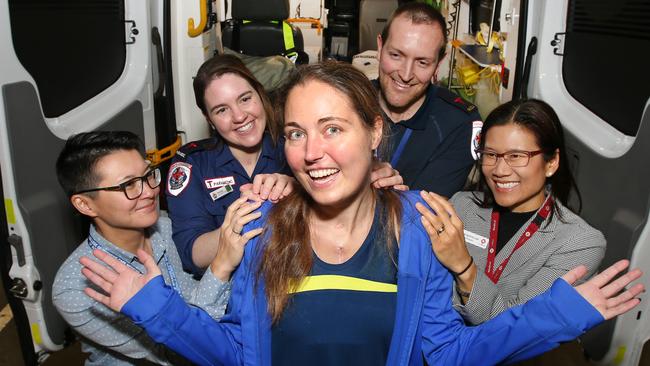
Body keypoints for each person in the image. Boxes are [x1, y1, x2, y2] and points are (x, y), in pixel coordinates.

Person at [79, 63, 643, 366]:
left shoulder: (419, 226)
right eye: (296, 133)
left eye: (333, 129)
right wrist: (157, 310)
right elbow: (236, 353)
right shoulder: (260, 226)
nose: (310, 152)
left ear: (374, 132)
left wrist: (555, 317)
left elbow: (448, 353)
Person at [168, 54, 405, 276]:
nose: (239, 116)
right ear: (208, 119)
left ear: (260, 94)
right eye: (221, 110)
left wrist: (370, 175)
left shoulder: (296, 147)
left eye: (245, 99)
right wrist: (250, 219)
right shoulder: (192, 164)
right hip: (227, 291)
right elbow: (191, 255)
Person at [416, 99, 607, 325]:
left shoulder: (580, 243)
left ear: (551, 162)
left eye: (516, 156)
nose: (500, 170)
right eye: (491, 155)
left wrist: (464, 268)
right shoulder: (463, 206)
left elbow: (515, 327)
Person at [52, 131, 230, 365]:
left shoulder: (170, 227)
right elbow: (177, 348)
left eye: (147, 176)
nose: (149, 192)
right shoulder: (75, 287)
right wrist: (222, 265)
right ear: (85, 204)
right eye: (129, 185)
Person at [375, 2, 483, 197]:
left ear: (438, 64)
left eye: (422, 62)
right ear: (380, 47)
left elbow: (424, 213)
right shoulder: (347, 100)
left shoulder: (459, 124)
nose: (406, 74)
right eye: (396, 55)